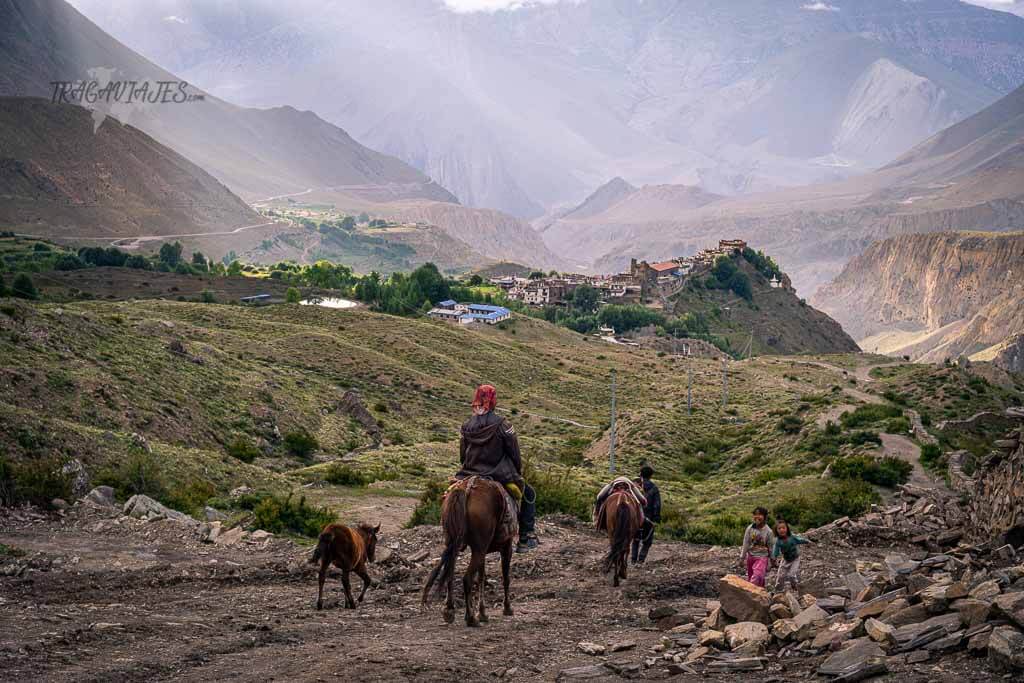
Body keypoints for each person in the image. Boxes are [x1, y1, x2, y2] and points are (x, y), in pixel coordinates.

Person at [456, 384, 538, 552]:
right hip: (498, 474)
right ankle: (525, 537)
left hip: (468, 473)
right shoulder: (503, 424)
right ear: (493, 401)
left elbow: (463, 455)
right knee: (529, 493)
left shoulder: (466, 426)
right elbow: (514, 453)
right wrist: (517, 472)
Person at [738, 506, 775, 588]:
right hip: (750, 556)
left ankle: (749, 592)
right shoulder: (750, 528)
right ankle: (760, 595)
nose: (757, 517)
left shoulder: (768, 532)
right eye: (755, 514)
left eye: (760, 515)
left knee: (757, 576)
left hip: (762, 557)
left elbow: (771, 547)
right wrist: (742, 558)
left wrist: (772, 560)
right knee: (752, 577)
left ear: (765, 517)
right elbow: (746, 543)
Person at [631, 466, 661, 564]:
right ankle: (641, 560)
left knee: (635, 539)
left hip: (636, 516)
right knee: (647, 541)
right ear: (651, 475)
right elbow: (657, 504)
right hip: (649, 517)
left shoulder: (635, 487)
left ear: (640, 474)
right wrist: (656, 517)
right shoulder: (654, 488)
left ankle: (633, 560)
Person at [771, 519, 810, 593]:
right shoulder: (778, 541)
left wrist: (807, 541)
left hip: (795, 558)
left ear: (787, 529)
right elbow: (776, 551)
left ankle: (795, 586)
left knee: (791, 575)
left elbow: (799, 540)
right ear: (776, 531)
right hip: (785, 560)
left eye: (783, 528)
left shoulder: (792, 537)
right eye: (779, 528)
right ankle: (777, 590)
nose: (782, 530)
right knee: (780, 576)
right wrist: (774, 558)